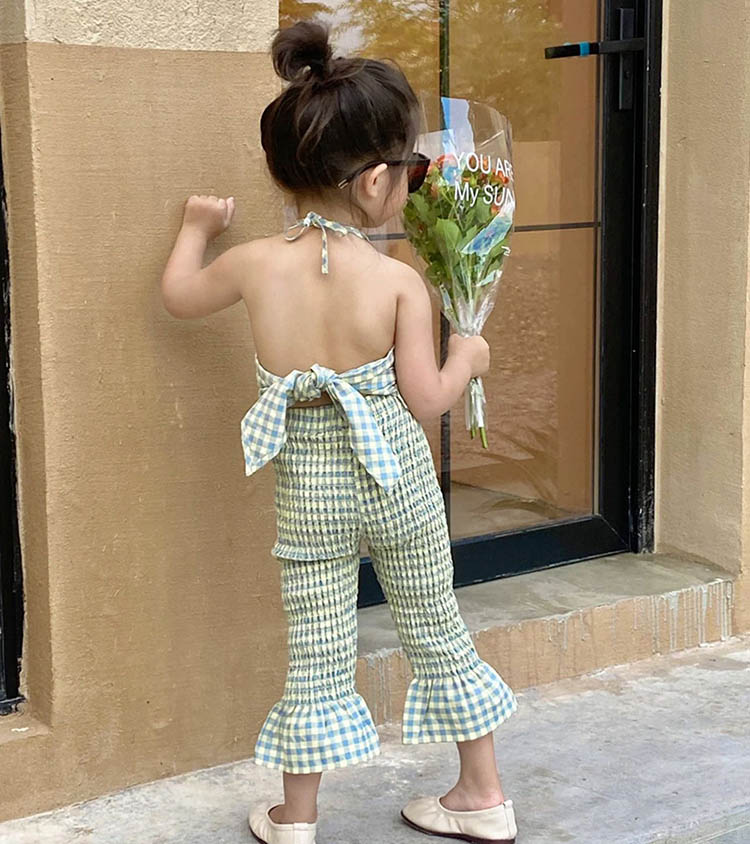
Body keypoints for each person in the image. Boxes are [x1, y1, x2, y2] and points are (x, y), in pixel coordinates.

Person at [160, 19, 518, 844]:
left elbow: (178, 297)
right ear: (375, 183)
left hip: (311, 491)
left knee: (316, 648)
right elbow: (426, 399)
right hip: (397, 482)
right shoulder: (395, 280)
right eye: (411, 170)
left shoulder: (254, 264)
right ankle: (482, 793)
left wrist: (195, 230)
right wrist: (468, 357)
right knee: (436, 627)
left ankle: (296, 817)